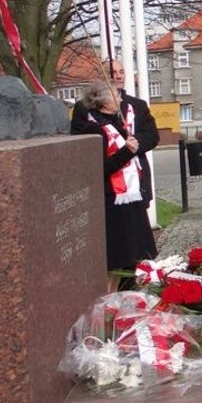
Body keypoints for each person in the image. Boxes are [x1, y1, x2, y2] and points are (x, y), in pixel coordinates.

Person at [72, 79, 157, 292]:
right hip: (113, 201)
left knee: (135, 257)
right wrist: (125, 151)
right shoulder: (93, 127)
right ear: (103, 101)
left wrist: (133, 147)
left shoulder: (120, 119)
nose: (120, 98)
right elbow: (98, 167)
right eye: (115, 95)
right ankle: (112, 305)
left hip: (132, 197)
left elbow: (149, 136)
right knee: (117, 261)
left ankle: (130, 298)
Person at [70, 58, 160, 232]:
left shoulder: (137, 105)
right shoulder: (85, 108)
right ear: (102, 76)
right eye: (113, 73)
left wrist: (133, 145)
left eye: (121, 72)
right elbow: (80, 140)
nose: (118, 77)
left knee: (138, 230)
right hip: (106, 183)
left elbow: (152, 135)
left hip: (135, 178)